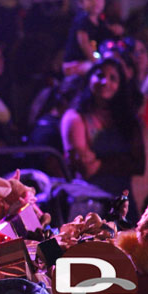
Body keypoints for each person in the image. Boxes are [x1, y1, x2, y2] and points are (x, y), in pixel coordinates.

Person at [61, 58, 145, 224]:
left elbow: (139, 165)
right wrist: (122, 160)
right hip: (89, 206)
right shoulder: (75, 118)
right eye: (100, 75)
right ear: (90, 78)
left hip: (124, 206)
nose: (105, 82)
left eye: (113, 78)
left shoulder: (129, 121)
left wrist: (100, 162)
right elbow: (86, 169)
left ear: (121, 85)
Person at [63, 0, 122, 74]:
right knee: (100, 71)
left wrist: (116, 30)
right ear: (81, 2)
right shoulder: (82, 20)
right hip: (75, 64)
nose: (95, 1)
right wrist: (98, 63)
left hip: (90, 61)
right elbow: (84, 44)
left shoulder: (101, 22)